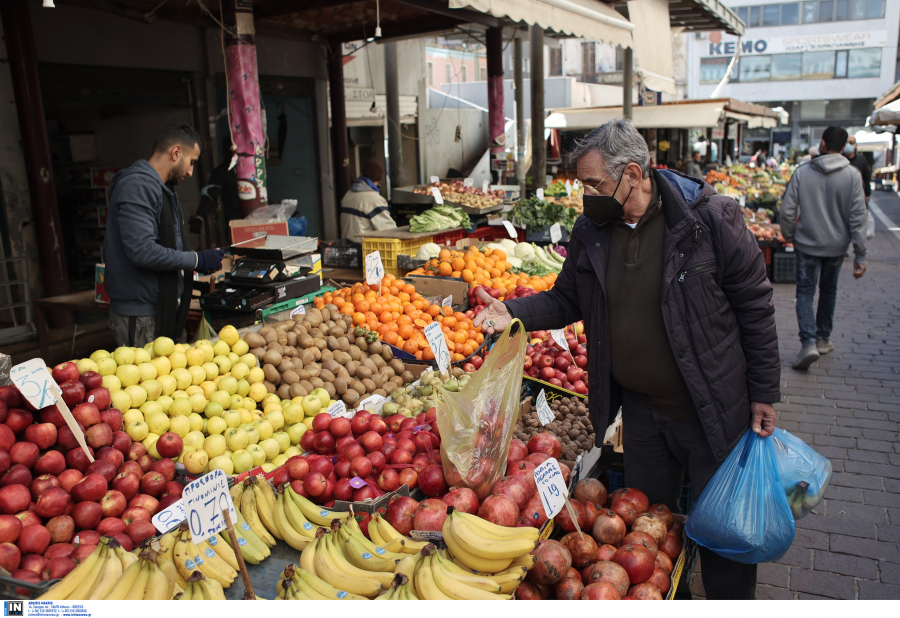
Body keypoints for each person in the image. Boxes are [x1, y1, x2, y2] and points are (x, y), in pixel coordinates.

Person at [474, 118, 779, 600]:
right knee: (645, 536)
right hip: (640, 415)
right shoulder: (592, 230)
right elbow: (566, 299)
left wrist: (764, 392)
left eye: (593, 184)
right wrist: (510, 311)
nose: (585, 196)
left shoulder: (709, 218)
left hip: (712, 409)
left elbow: (755, 305)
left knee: (726, 536)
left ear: (633, 173)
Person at [104, 124, 225, 348]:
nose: (190, 172)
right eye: (192, 163)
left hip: (163, 307)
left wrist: (195, 262)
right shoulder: (137, 186)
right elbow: (142, 251)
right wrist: (196, 260)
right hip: (141, 314)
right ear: (176, 152)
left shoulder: (162, 189)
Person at [780, 126, 867, 370]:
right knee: (829, 290)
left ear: (822, 144)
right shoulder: (852, 176)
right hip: (837, 247)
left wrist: (789, 235)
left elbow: (787, 210)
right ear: (844, 147)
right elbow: (858, 217)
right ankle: (822, 338)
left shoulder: (803, 172)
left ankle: (807, 343)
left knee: (805, 293)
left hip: (807, 243)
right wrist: (860, 253)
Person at [340, 160, 396, 239]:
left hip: (347, 247)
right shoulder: (374, 199)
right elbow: (389, 231)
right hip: (364, 248)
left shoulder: (348, 194)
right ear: (378, 181)